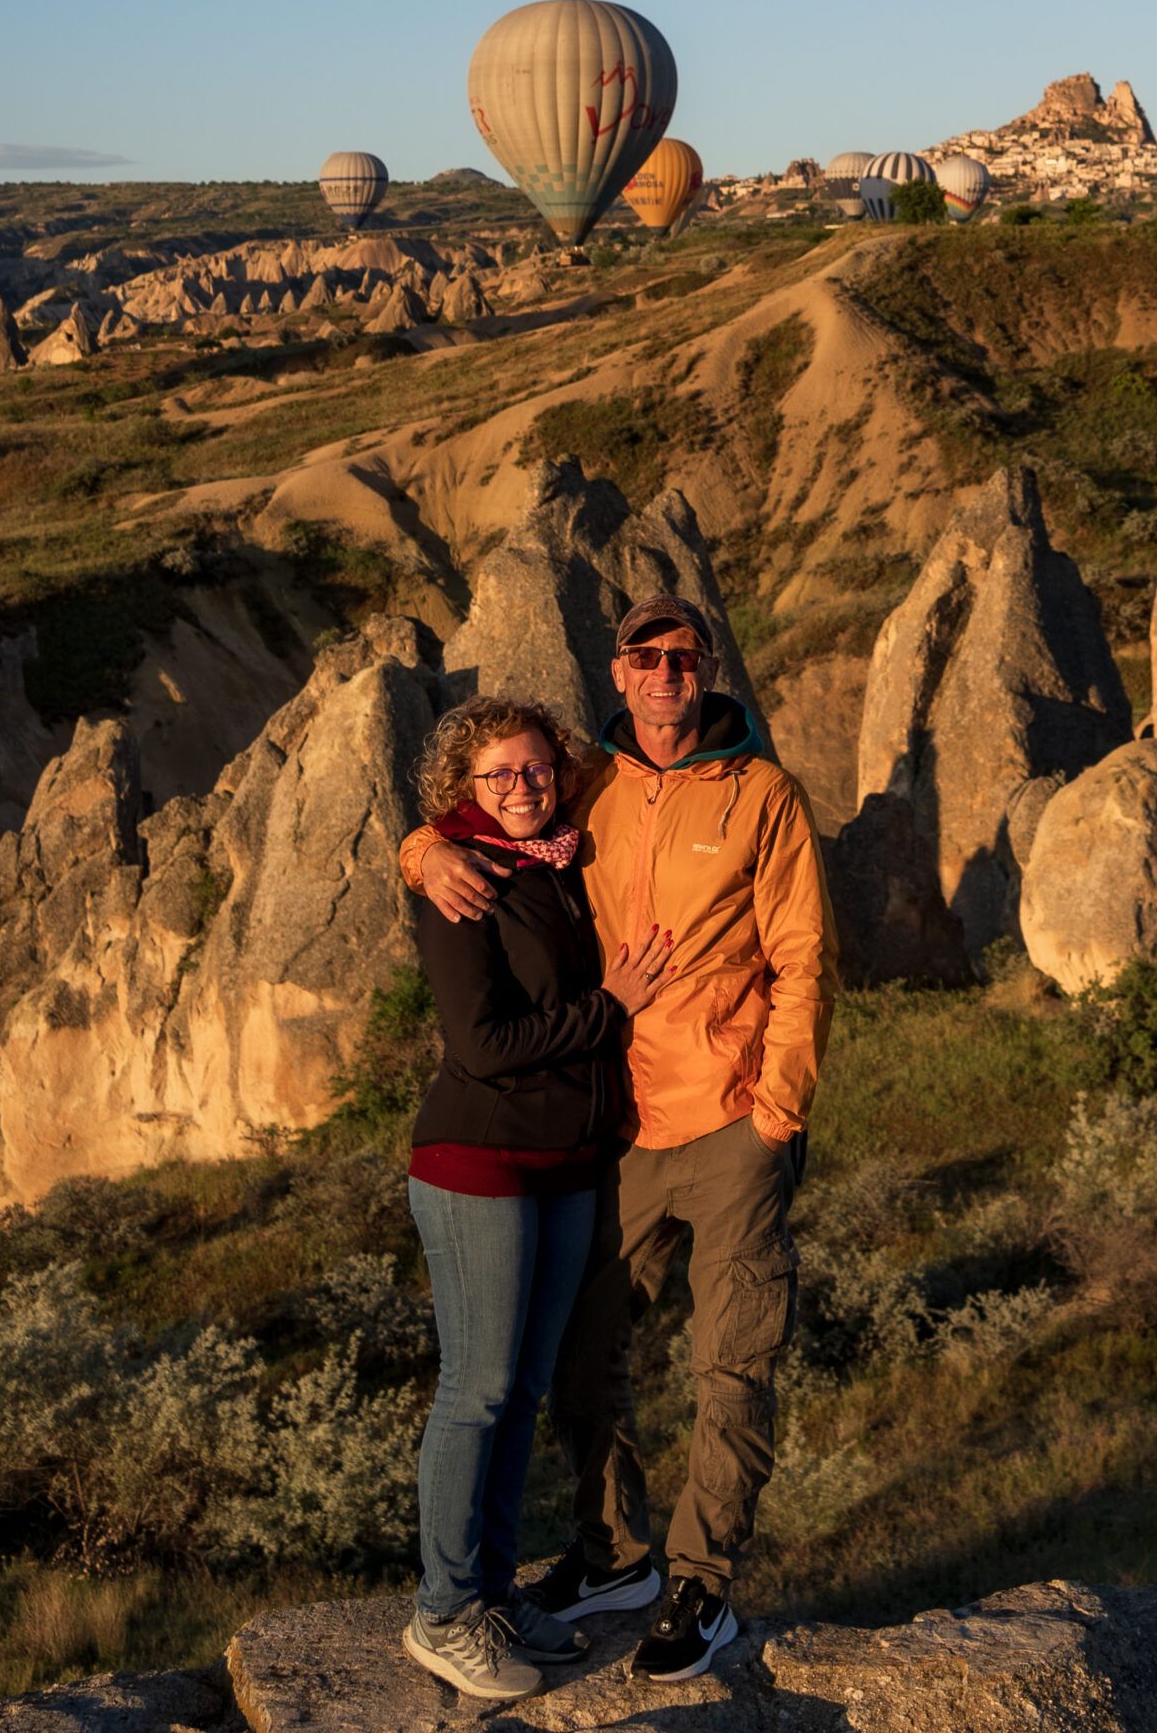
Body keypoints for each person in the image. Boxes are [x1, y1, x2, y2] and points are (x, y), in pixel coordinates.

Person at [404, 598, 837, 1682]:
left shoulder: (762, 795)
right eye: (642, 657)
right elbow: (483, 810)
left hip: (733, 1117)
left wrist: (776, 1104)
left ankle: (701, 1581)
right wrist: (420, 849)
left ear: (705, 670)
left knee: (730, 1360)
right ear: (619, 670)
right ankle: (611, 1552)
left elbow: (803, 954)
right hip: (620, 1128)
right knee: (581, 1356)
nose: (662, 674)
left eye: (680, 657)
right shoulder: (584, 780)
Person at [401, 694, 678, 1703]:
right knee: (474, 1391)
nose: (520, 786)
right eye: (496, 774)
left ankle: (488, 1595)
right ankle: (440, 1613)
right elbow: (482, 1045)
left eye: (533, 768)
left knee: (520, 1393)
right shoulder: (460, 877)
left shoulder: (557, 862)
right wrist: (612, 1009)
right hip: (481, 1160)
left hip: (566, 1164)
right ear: (460, 791)